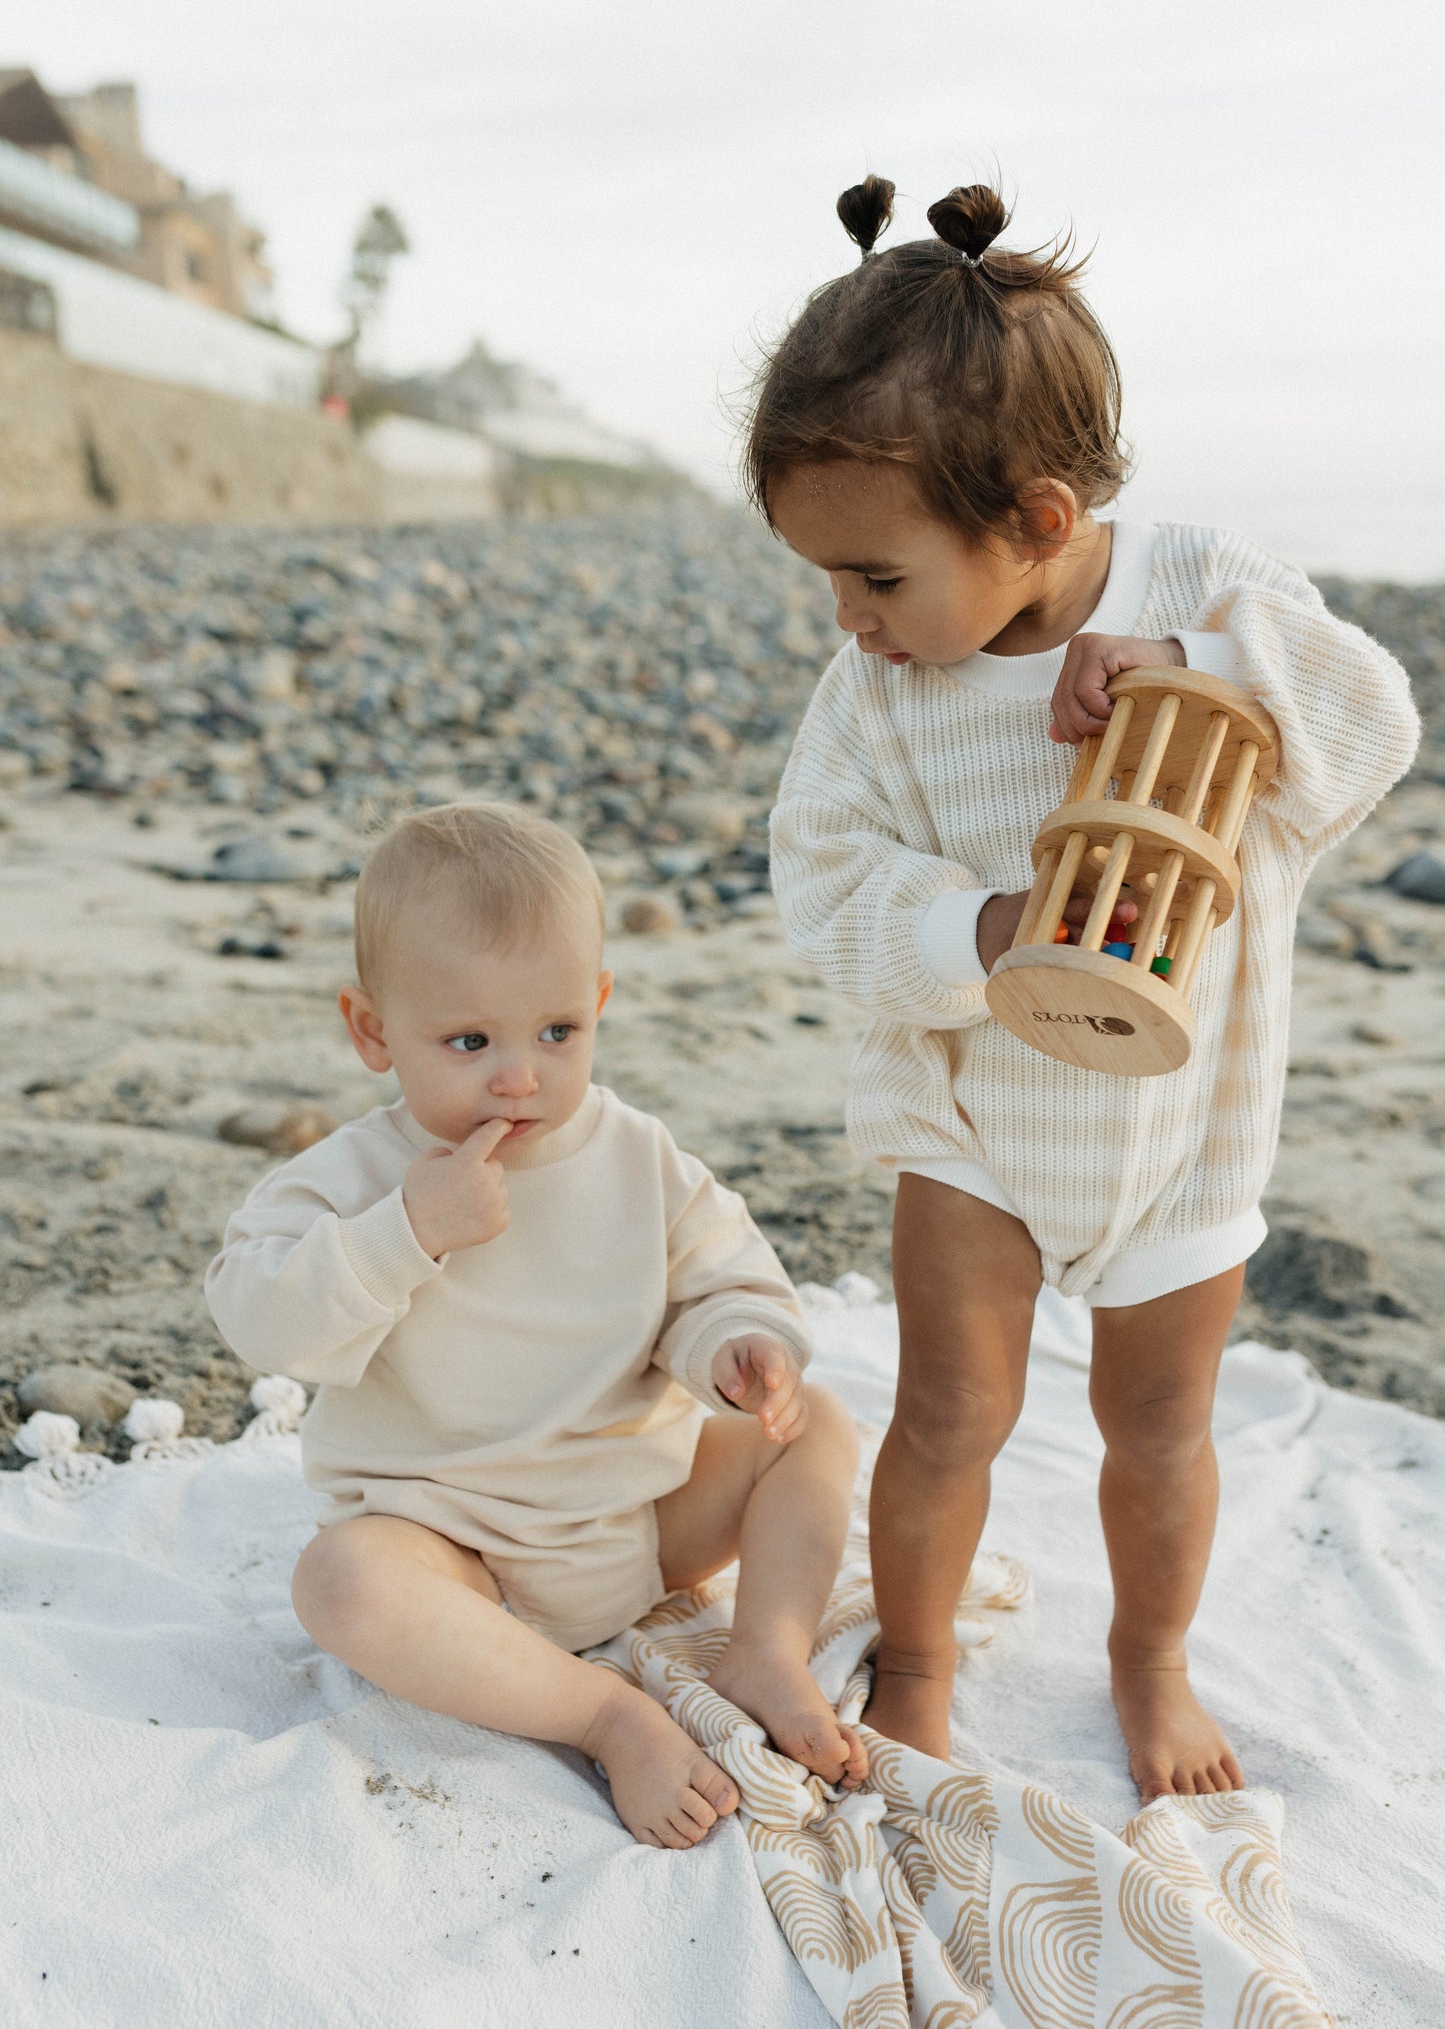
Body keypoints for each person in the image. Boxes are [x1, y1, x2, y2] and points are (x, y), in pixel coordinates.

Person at [752, 174, 1419, 1800]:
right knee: (946, 1414)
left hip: (1182, 1116)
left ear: (1040, 522)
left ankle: (1152, 1656)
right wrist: (980, 931)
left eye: (879, 577)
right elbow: (821, 876)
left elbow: (1370, 725)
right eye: (824, 578)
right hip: (977, 1109)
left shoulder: (1203, 588)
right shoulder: (880, 694)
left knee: (1161, 1421)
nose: (848, 617)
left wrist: (1207, 682)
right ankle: (918, 1660)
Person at [206, 801, 865, 1851]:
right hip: (456, 1548)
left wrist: (738, 1347)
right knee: (341, 1580)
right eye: (468, 1040)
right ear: (373, 1031)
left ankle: (767, 1648)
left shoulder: (635, 1153)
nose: (518, 1075)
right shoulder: (354, 1177)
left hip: (635, 1519)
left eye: (556, 1031)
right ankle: (601, 1713)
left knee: (816, 1421)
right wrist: (406, 1231)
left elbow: (721, 1270)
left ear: (598, 1002)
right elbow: (262, 1317)